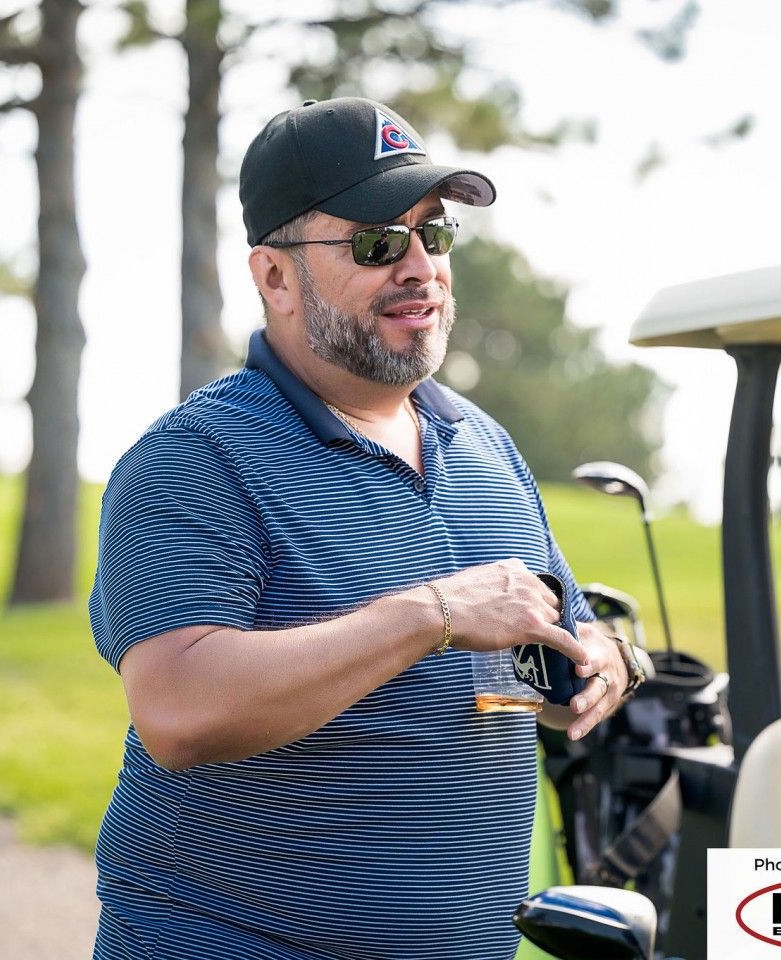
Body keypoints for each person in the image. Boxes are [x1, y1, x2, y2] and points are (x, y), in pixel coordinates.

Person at [88, 97, 639, 959]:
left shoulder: (486, 445)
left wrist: (599, 661)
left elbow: (544, 626)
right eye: (378, 242)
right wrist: (431, 615)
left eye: (435, 235)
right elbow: (179, 710)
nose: (419, 266)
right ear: (274, 277)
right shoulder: (193, 459)